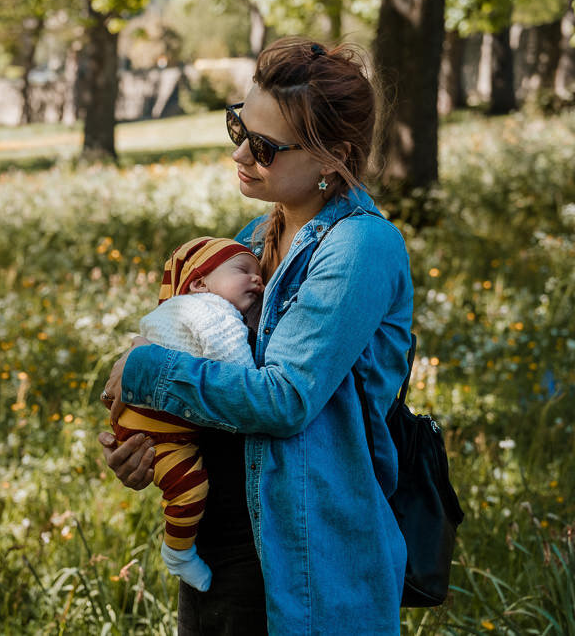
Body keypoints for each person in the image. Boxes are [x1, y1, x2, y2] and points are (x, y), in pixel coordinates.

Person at [98, 37, 413, 634]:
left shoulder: (361, 248)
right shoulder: (251, 240)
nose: (241, 153)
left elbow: (284, 398)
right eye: (237, 126)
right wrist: (143, 439)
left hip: (309, 561)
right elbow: (204, 364)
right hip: (225, 546)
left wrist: (144, 372)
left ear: (331, 158)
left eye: (264, 147)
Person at [110, 236, 263, 592]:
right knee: (188, 490)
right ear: (199, 283)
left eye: (258, 274)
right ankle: (177, 552)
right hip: (160, 429)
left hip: (146, 422)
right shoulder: (213, 312)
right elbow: (241, 375)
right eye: (243, 271)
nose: (257, 279)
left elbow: (139, 346)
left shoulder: (180, 308)